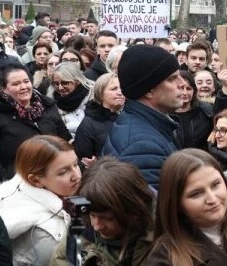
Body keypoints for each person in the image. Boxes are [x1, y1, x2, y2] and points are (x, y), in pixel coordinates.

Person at [0, 136, 81, 266]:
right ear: (36, 180)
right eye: (63, 172)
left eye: (76, 164)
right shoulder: (38, 229)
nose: (76, 175)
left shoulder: (60, 194)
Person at [103, 45, 182, 188]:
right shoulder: (143, 147)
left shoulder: (146, 125)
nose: (182, 84)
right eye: (172, 79)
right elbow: (153, 208)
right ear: (149, 91)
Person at [0, 60, 71, 181]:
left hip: (56, 177)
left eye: (26, 81)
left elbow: (65, 139)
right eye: (16, 84)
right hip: (19, 182)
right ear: (3, 89)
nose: (23, 87)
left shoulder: (47, 106)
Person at [74, 73, 124, 161]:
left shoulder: (129, 117)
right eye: (113, 89)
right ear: (100, 94)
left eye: (122, 89)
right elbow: (81, 159)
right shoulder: (88, 124)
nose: (120, 93)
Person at [49, 63, 94, 140]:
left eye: (65, 83)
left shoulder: (95, 97)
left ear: (77, 81)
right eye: (56, 84)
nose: (60, 88)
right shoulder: (51, 103)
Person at [175, 71, 214, 151]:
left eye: (189, 89)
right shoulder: (163, 114)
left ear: (194, 90)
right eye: (181, 88)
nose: (185, 93)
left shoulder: (206, 111)